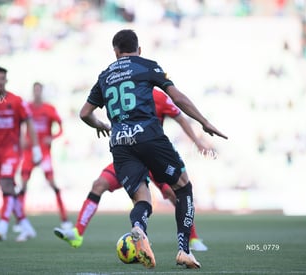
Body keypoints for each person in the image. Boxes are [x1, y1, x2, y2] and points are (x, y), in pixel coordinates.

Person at [78, 30, 227, 269]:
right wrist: (204, 122)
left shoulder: (105, 75)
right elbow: (177, 98)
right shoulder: (148, 66)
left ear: (115, 51)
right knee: (183, 186)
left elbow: (84, 113)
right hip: (148, 136)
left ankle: (138, 229)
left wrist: (102, 125)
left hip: (119, 143)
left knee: (142, 199)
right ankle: (184, 251)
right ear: (139, 49)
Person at [54, 88, 210, 251]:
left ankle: (193, 238)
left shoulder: (159, 97)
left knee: (174, 193)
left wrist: (197, 142)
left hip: (153, 157)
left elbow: (180, 118)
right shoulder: (122, 92)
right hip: (129, 157)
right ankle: (77, 233)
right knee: (99, 184)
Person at [0, 66, 43, 242]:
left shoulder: (16, 101)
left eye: (2, 79)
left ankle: (3, 226)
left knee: (6, 183)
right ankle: (26, 226)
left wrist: (36, 148)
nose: (0, 82)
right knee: (7, 188)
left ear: (6, 80)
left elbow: (29, 124)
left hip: (12, 151)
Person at [18, 82, 71, 229]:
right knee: (23, 184)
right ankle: (20, 221)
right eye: (34, 90)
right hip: (29, 151)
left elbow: (61, 128)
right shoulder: (26, 107)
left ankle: (65, 219)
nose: (37, 93)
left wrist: (52, 137)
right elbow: (19, 124)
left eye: (39, 90)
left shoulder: (49, 109)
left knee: (53, 184)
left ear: (42, 92)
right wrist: (21, 137)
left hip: (44, 152)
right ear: (32, 91)